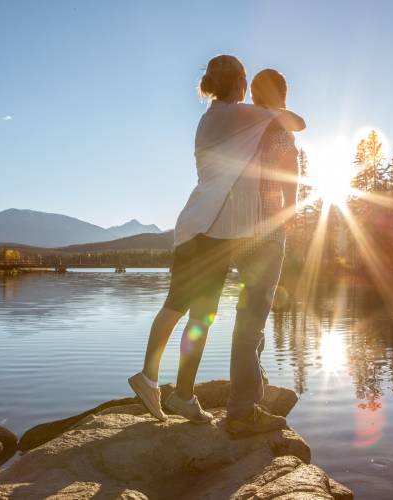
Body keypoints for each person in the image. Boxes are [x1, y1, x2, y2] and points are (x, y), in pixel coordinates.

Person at [128, 55, 305, 426]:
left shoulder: (209, 117)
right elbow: (297, 124)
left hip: (200, 224)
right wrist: (274, 108)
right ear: (239, 82)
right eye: (244, 80)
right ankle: (153, 380)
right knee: (188, 310)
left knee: (195, 313)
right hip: (212, 229)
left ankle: (180, 393)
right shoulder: (240, 114)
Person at [225, 69, 300, 437]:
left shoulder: (242, 127)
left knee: (250, 312)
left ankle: (253, 387)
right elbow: (291, 177)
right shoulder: (279, 129)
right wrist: (290, 216)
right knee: (252, 317)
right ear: (282, 95)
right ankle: (241, 410)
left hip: (237, 231)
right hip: (267, 230)